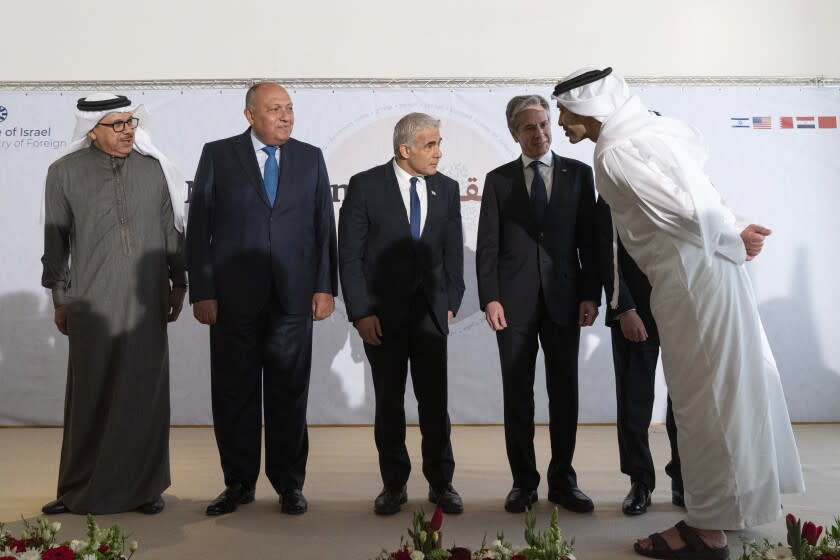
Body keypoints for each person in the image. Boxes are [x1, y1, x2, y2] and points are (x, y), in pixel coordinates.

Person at [554, 67, 805, 559]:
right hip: (708, 273)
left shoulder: (617, 151)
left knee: (701, 405)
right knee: (725, 396)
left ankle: (707, 530)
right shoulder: (646, 134)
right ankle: (727, 510)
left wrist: (732, 234)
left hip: (691, 283)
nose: (561, 120)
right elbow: (699, 197)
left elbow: (683, 210)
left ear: (591, 109)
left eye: (566, 110)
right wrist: (734, 231)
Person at [186, 82, 337, 516]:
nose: (286, 116)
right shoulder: (218, 154)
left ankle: (290, 485)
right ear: (250, 115)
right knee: (234, 393)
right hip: (233, 300)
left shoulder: (311, 158)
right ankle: (237, 484)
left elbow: (323, 226)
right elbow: (200, 229)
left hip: (293, 299)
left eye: (290, 108)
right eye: (275, 109)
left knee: (290, 391)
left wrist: (324, 285)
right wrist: (204, 290)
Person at [41, 93, 187, 515]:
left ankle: (145, 488)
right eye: (117, 124)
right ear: (91, 129)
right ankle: (76, 489)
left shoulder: (154, 170)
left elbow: (171, 232)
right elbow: (55, 244)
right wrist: (60, 298)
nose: (128, 131)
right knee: (90, 392)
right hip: (91, 301)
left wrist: (179, 283)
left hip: (146, 301)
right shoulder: (63, 173)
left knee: (145, 392)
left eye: (131, 123)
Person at [475, 95, 600, 514]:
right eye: (529, 128)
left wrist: (589, 294)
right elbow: (487, 248)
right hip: (512, 306)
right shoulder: (498, 180)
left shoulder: (580, 175)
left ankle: (564, 481)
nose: (540, 133)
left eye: (545, 124)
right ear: (515, 133)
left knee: (565, 394)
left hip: (565, 302)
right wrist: (490, 298)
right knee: (518, 396)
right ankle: (523, 483)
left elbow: (590, 243)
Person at [338, 113, 465, 515]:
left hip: (431, 316)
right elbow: (350, 256)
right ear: (404, 149)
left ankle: (441, 483)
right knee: (389, 404)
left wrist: (451, 299)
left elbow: (452, 250)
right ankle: (393, 485)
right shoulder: (365, 185)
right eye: (431, 145)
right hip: (382, 317)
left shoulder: (446, 188)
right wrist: (361, 312)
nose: (439, 153)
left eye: (440, 143)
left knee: (435, 403)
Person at [595, 197, 683, 516]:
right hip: (635, 313)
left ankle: (683, 480)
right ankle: (640, 482)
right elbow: (608, 249)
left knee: (686, 403)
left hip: (680, 307)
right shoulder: (615, 180)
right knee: (634, 402)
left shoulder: (676, 181)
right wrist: (624, 309)